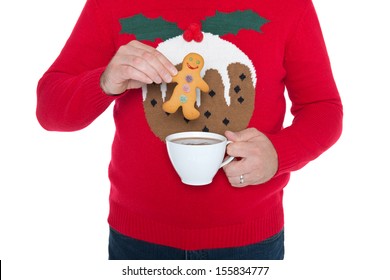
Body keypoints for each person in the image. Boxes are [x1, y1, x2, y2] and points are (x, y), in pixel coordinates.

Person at [36, 0, 343, 260]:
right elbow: (50, 110)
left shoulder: (289, 5)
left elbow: (323, 107)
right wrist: (104, 81)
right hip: (136, 239)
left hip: (249, 242)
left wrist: (279, 154)